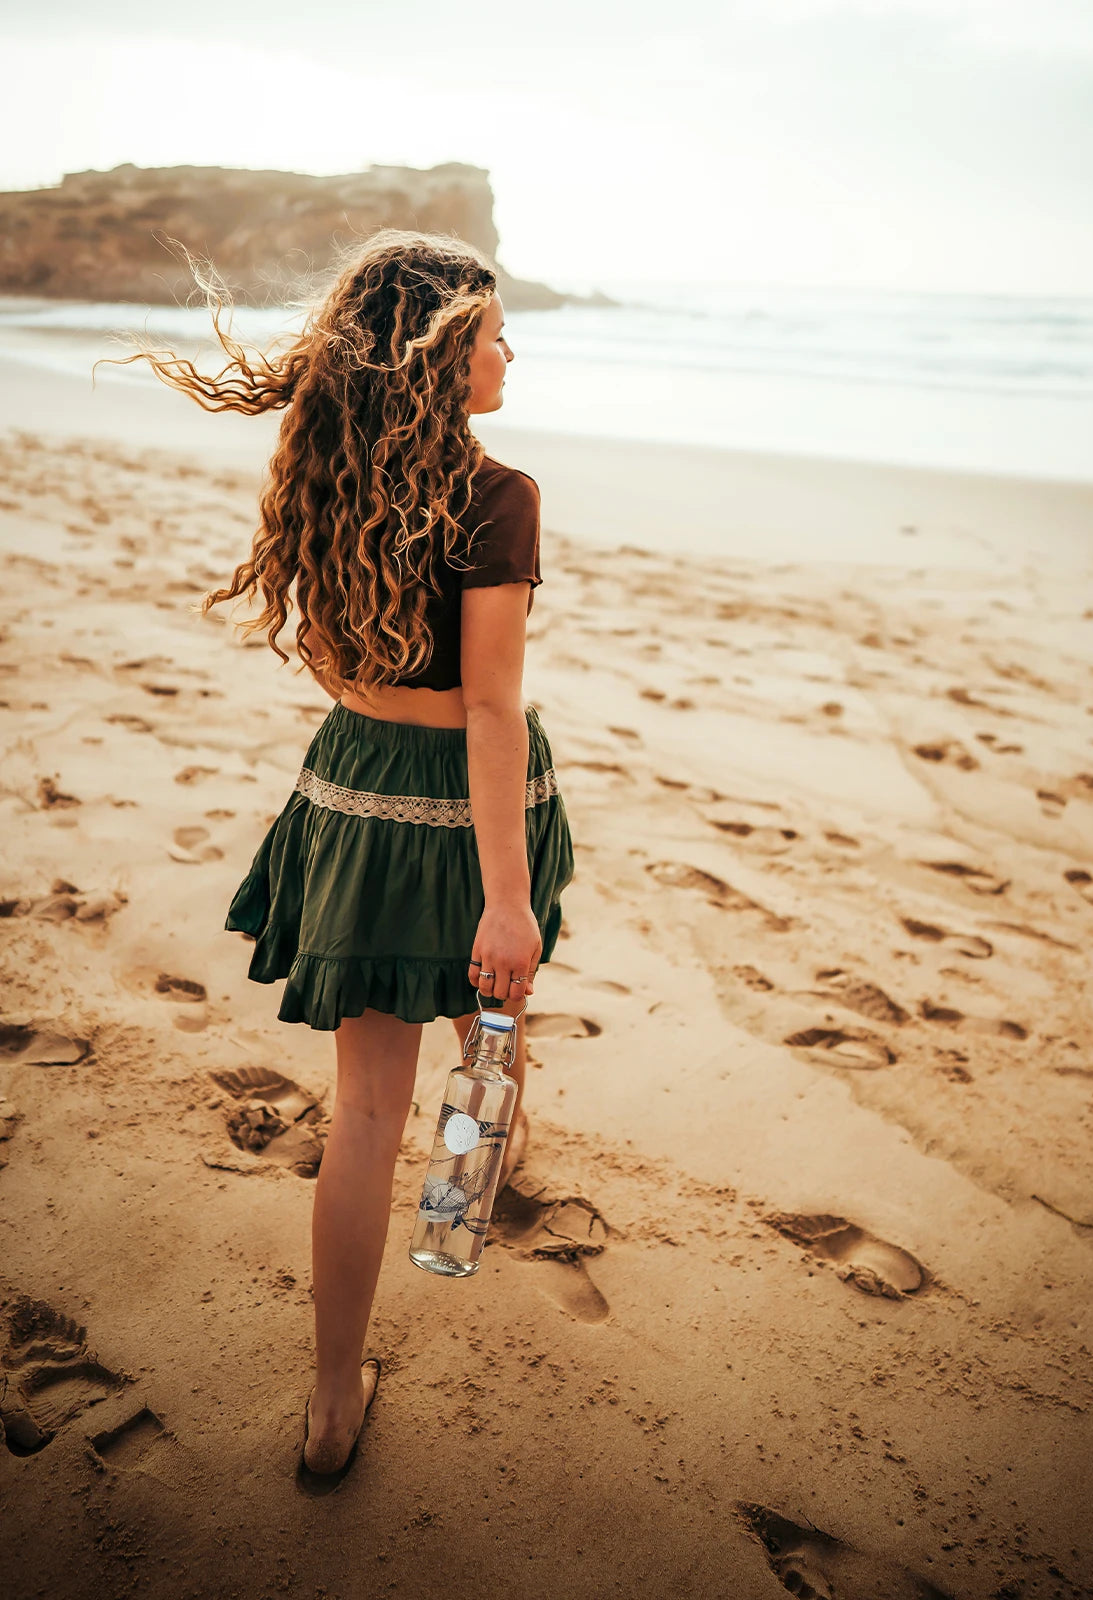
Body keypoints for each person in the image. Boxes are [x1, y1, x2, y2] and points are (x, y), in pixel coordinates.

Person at [100, 231, 575, 1487]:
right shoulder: (498, 495)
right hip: (469, 800)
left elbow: (329, 656)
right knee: (492, 979)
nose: (508, 349)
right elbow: (487, 708)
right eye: (491, 332)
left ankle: (328, 1401)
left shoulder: (326, 469)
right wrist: (512, 894)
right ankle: (495, 1112)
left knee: (364, 1111)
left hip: (353, 788)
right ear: (437, 358)